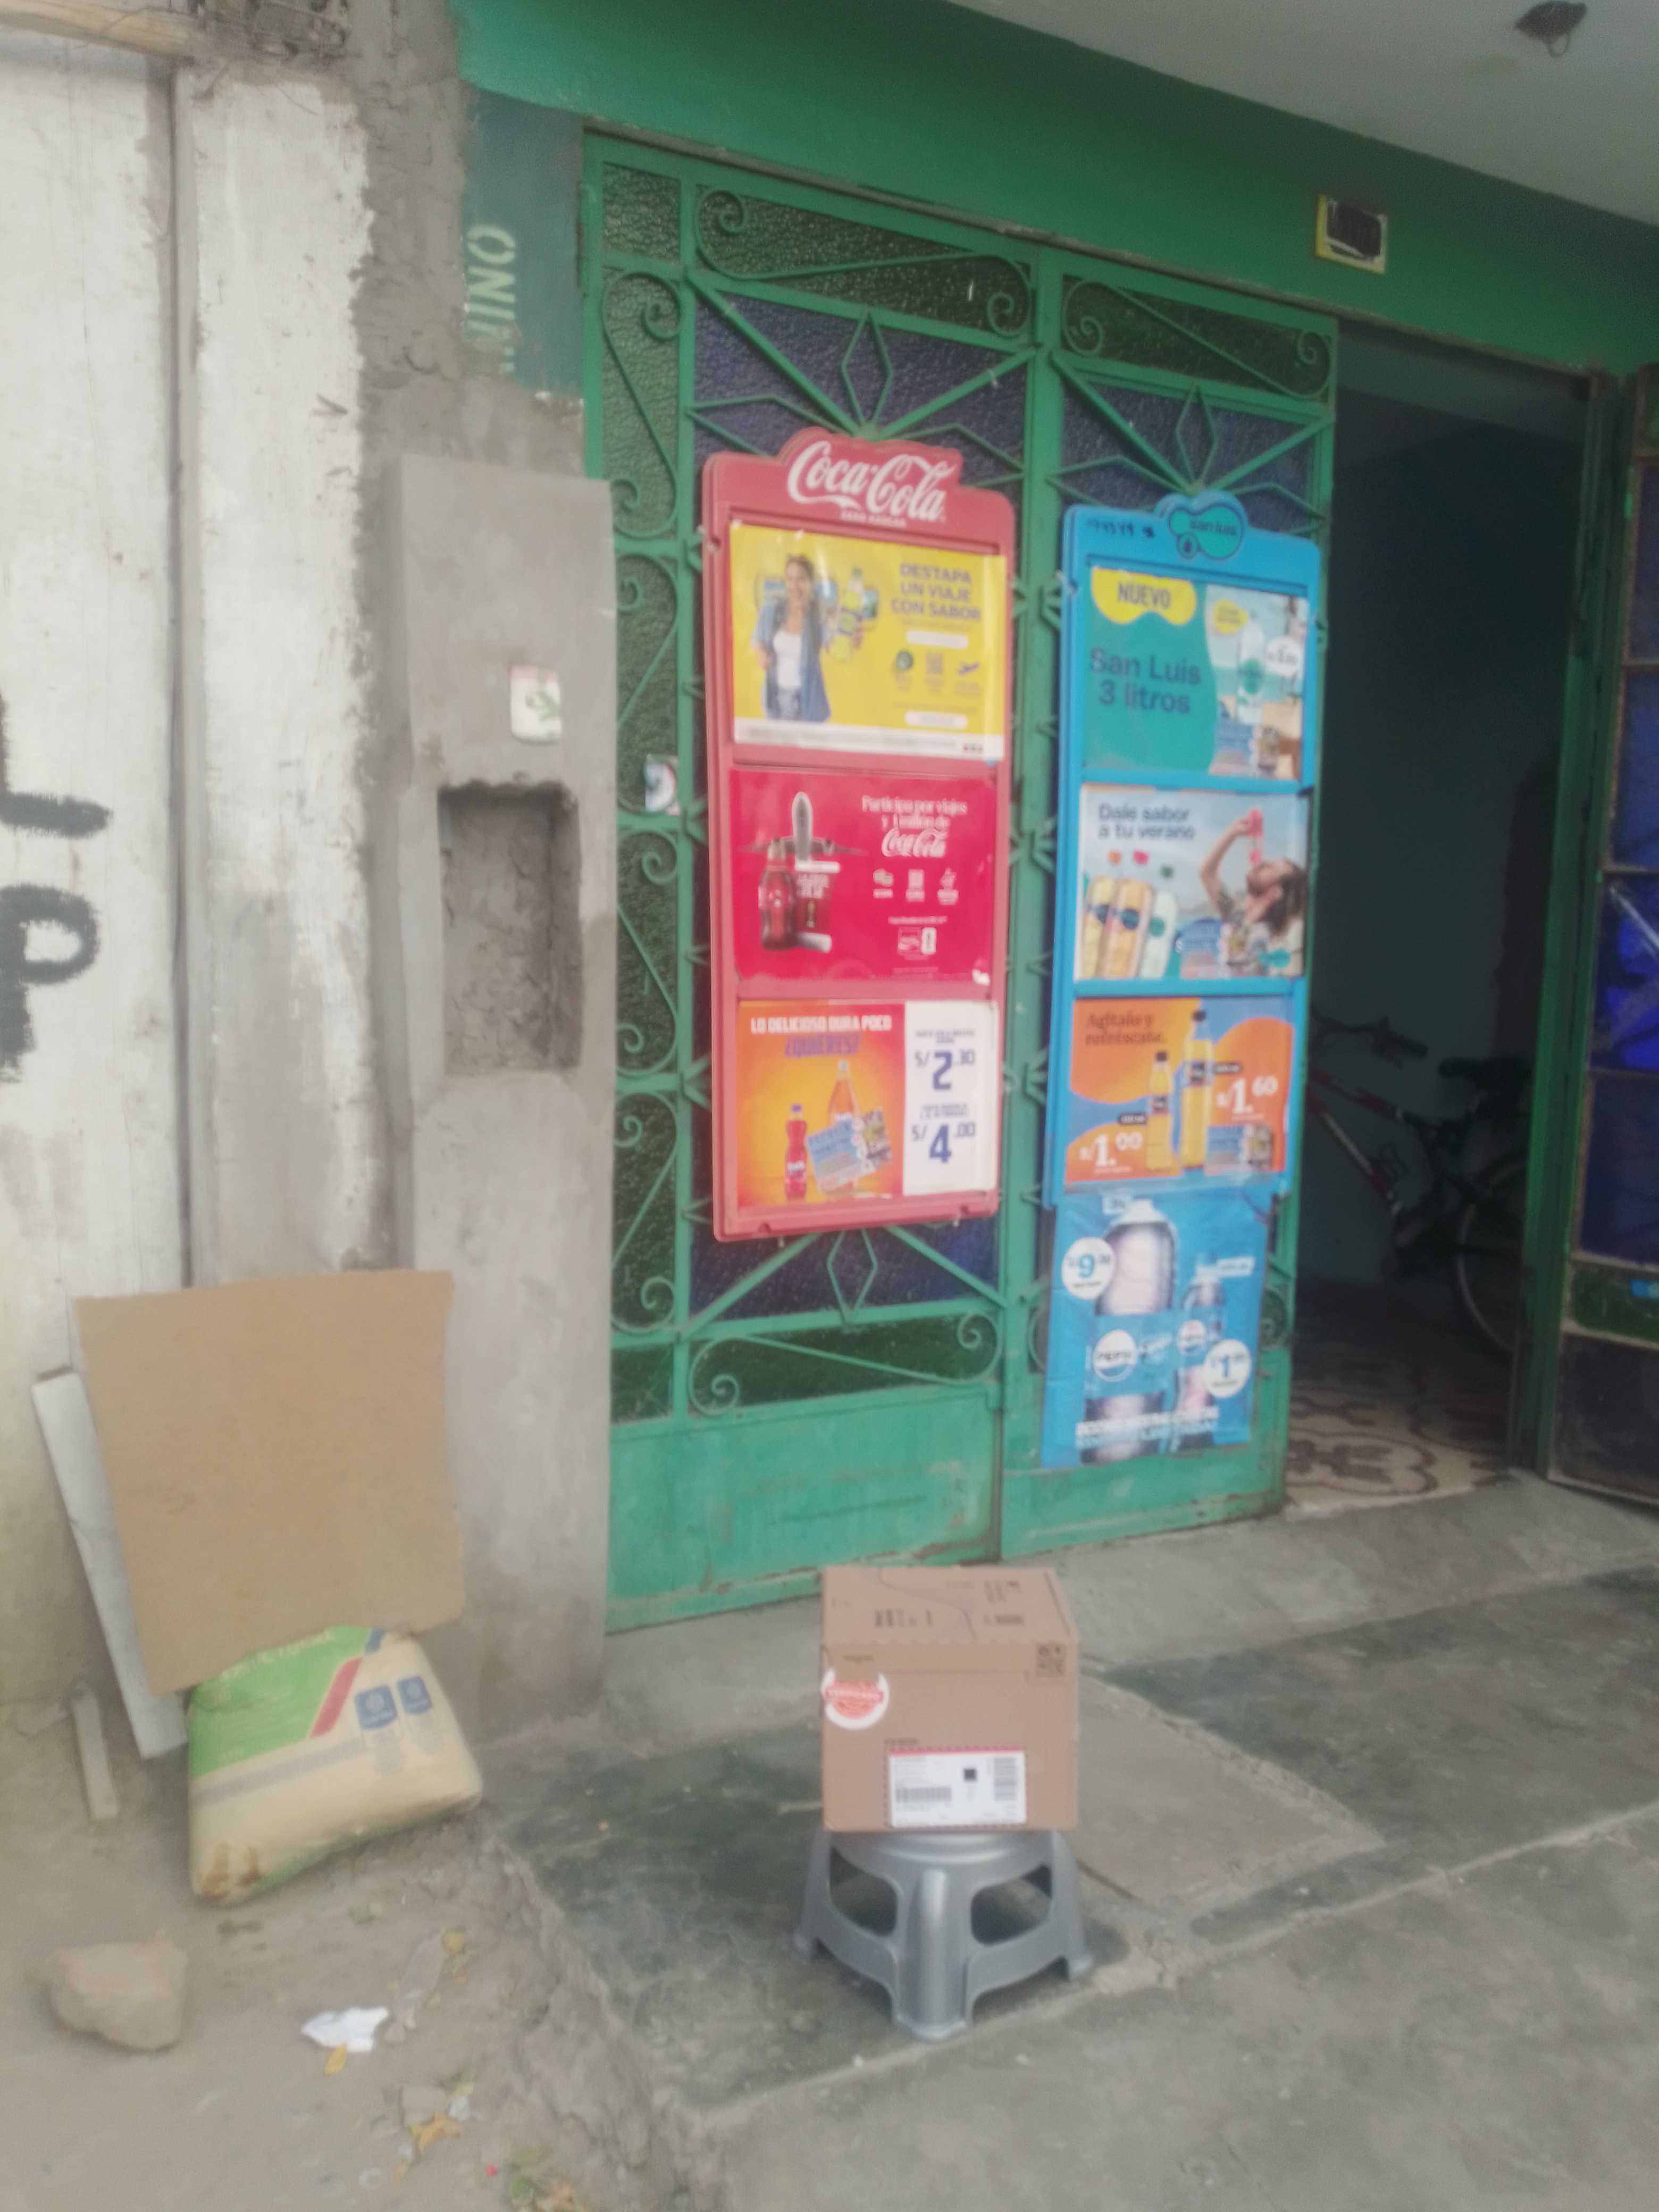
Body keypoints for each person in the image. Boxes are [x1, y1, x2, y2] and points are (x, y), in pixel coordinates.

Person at [1197, 812, 1307, 975]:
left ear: (1275, 893)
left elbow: (1242, 975)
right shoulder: (1237, 914)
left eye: (1269, 867)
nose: (1262, 863)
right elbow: (1207, 873)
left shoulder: (1264, 939)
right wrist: (1232, 832)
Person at [753, 552, 831, 723]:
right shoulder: (770, 610)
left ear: (811, 583)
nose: (795, 586)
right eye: (790, 579)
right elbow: (757, 639)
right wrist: (762, 655)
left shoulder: (818, 617)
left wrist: (852, 640)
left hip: (810, 702)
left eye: (801, 579)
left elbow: (835, 646)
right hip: (777, 700)